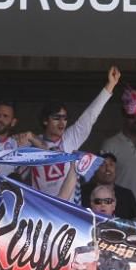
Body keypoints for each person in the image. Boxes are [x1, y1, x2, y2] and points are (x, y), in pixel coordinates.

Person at [26, 66, 119, 200]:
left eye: (64, 118)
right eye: (56, 118)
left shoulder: (70, 138)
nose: (62, 123)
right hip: (42, 213)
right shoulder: (31, 144)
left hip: (70, 214)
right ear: (45, 121)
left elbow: (90, 115)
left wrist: (110, 85)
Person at [100, 107, 136, 214]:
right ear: (124, 117)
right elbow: (101, 177)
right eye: (131, 116)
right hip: (119, 208)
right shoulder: (110, 144)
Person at [81, 153, 136, 220]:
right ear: (95, 169)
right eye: (102, 164)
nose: (108, 168)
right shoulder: (83, 192)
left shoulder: (127, 194)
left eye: (111, 165)